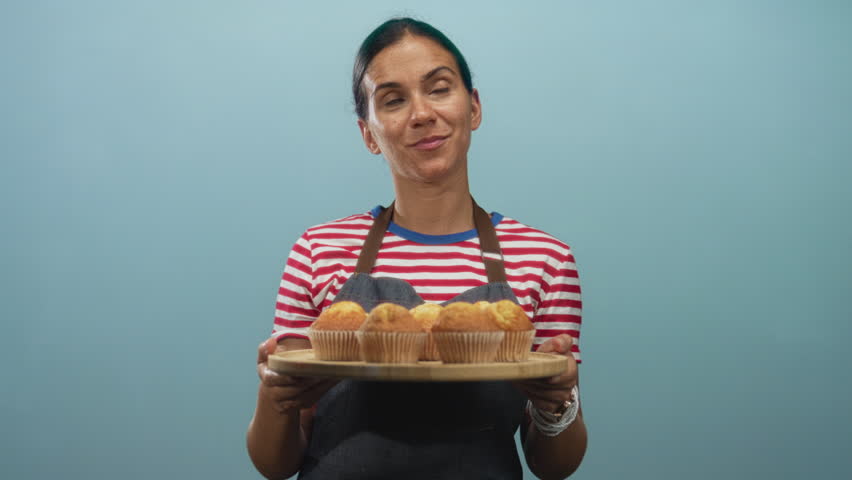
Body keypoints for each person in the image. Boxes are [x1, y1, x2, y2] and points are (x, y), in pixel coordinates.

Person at [247, 17, 587, 480]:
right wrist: (275, 396)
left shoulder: (544, 259)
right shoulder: (318, 251)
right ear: (368, 134)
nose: (422, 114)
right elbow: (274, 463)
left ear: (474, 107)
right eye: (393, 100)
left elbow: (554, 465)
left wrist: (556, 404)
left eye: (439, 88)